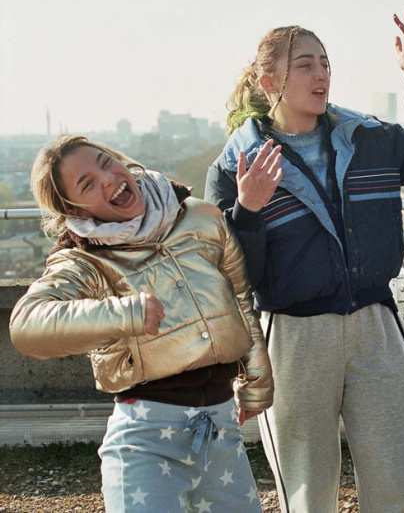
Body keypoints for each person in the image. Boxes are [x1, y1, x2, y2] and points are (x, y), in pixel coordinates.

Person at [204, 14, 404, 513]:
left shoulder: (368, 138)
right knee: (309, 492)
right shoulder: (236, 166)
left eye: (325, 63)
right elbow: (231, 276)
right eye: (305, 65)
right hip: (293, 337)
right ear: (269, 82)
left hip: (377, 327)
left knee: (395, 489)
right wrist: (248, 210)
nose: (321, 74)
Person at [10, 136, 273, 512]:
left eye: (105, 162)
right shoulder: (82, 260)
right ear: (72, 209)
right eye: (87, 184)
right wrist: (123, 314)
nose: (107, 178)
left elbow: (241, 299)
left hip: (221, 430)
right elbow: (26, 325)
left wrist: (257, 380)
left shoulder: (201, 216)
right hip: (145, 441)